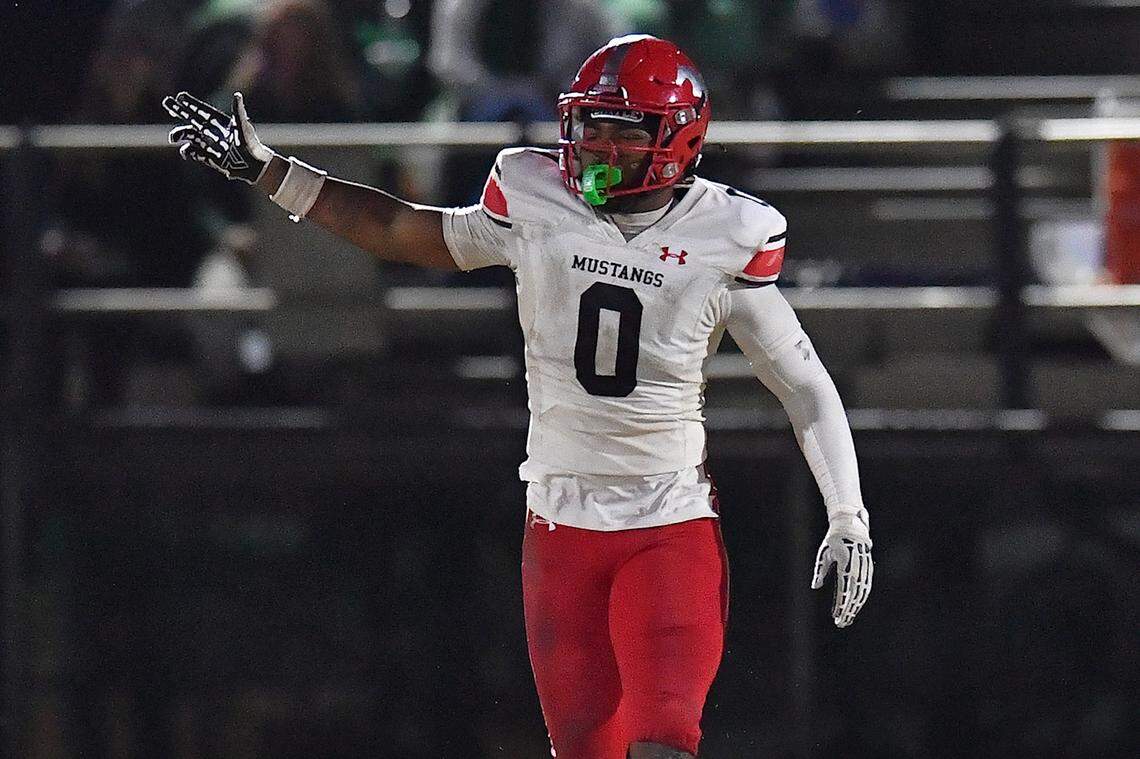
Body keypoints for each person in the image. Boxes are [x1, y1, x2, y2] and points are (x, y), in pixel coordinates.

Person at [163, 34, 873, 759]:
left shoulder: (726, 235)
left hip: (666, 522)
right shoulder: (535, 196)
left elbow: (804, 382)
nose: (596, 148)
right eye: (588, 125)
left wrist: (848, 511)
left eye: (622, 131)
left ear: (676, 139)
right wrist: (269, 170)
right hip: (558, 526)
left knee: (663, 743)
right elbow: (399, 228)